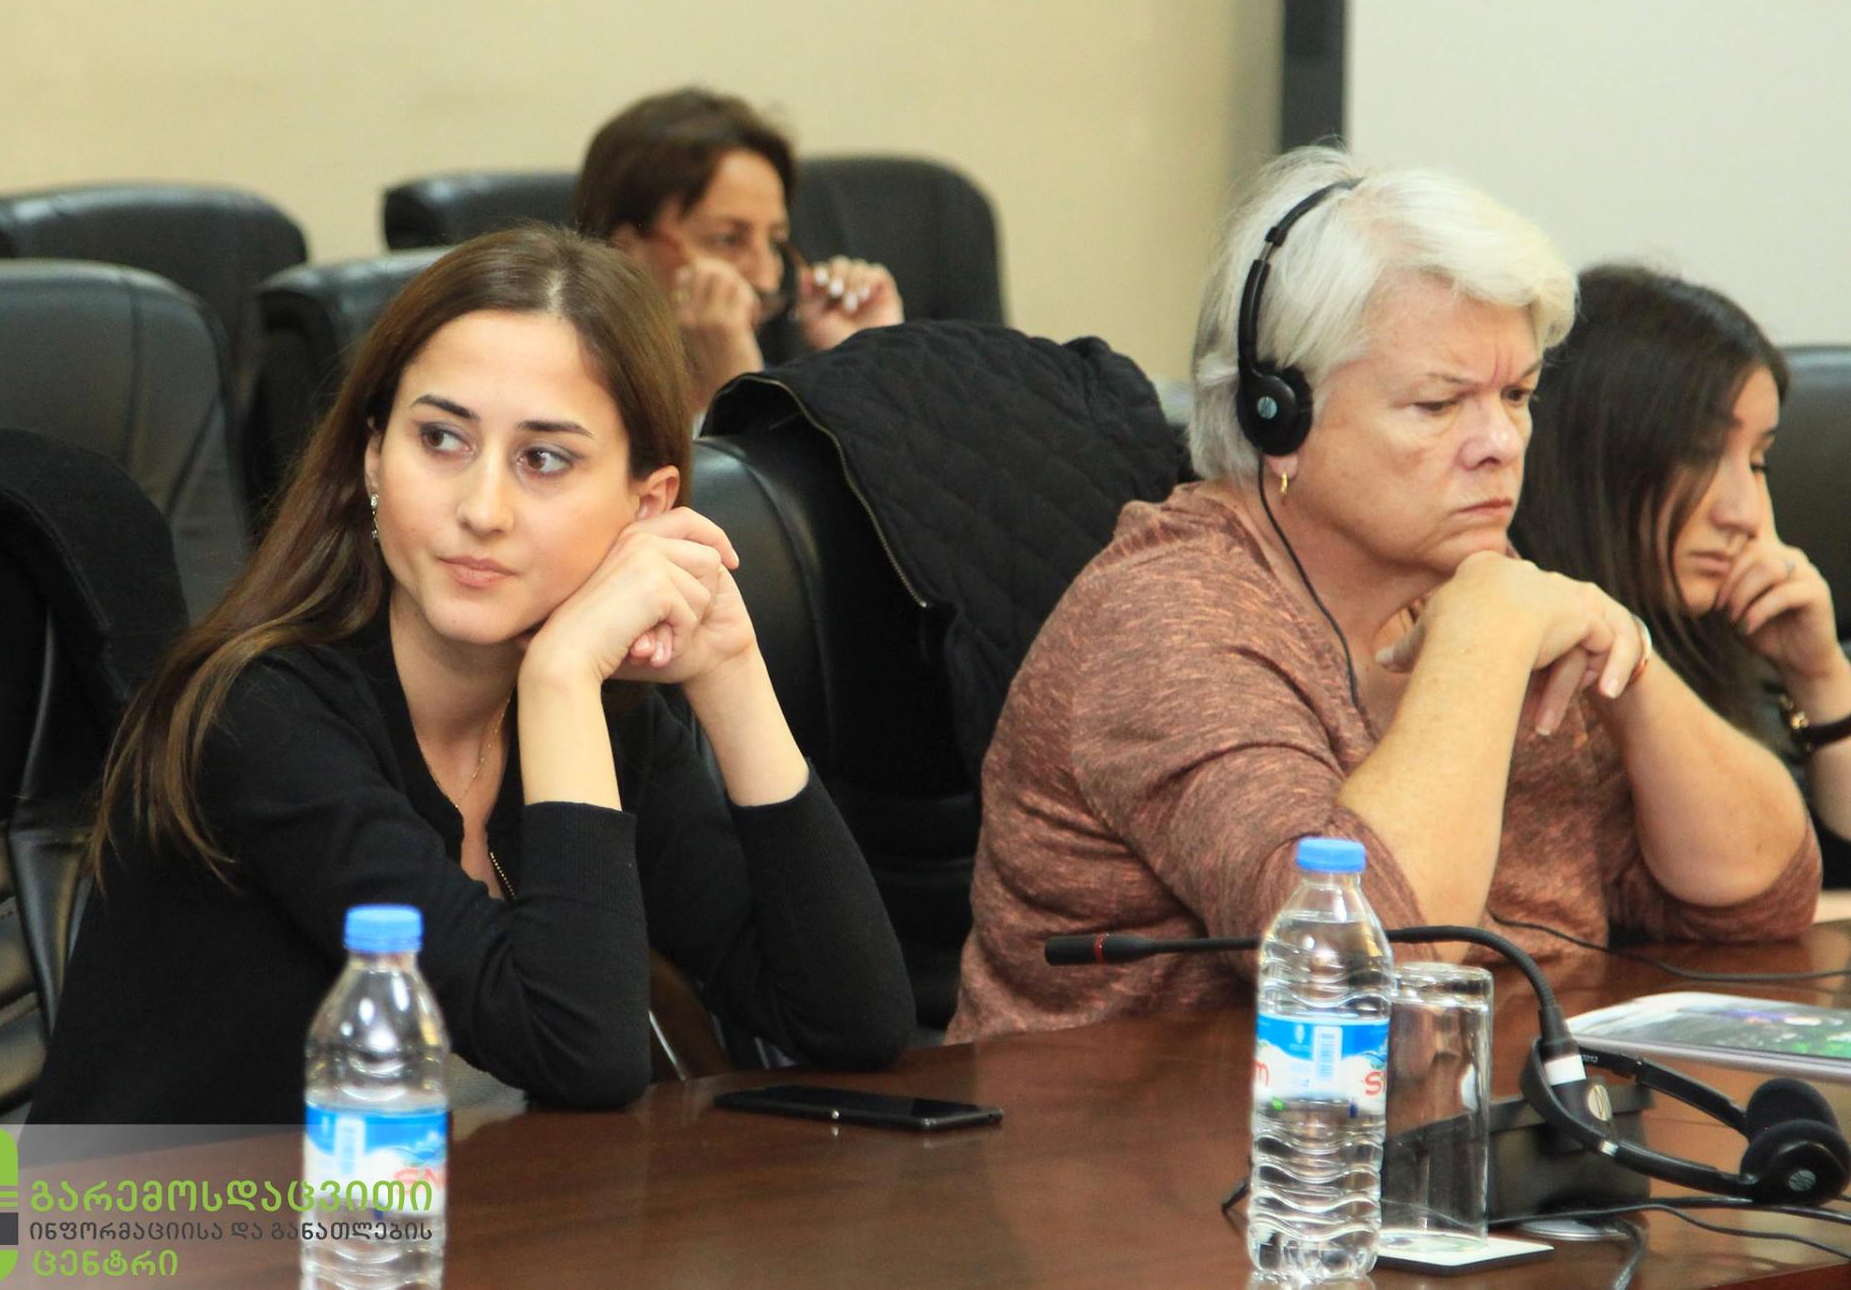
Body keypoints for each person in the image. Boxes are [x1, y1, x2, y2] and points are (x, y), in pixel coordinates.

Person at [31, 226, 913, 1122]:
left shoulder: (609, 723)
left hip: (415, 1202)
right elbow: (580, 1051)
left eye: (544, 458)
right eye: (441, 438)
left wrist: (729, 664)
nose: (482, 509)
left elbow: (855, 1018)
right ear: (373, 460)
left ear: (646, 507)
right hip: (149, 1209)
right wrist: (560, 679)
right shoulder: (260, 716)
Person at [948, 148, 1819, 1042]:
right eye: (1440, 405)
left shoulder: (1483, 581)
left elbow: (1763, 899)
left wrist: (1628, 674)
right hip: (1153, 1124)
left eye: (1517, 394)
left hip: (1471, 1101)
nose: (1501, 442)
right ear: (1278, 418)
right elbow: (1355, 961)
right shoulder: (1168, 618)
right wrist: (1482, 643)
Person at [1517, 265, 1851, 890]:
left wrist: (1821, 677)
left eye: (1758, 462)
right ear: (1597, 455)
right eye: (1700, 453)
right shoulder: (1524, 647)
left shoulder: (1712, 639)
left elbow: (1805, 881)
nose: (1744, 513)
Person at [573, 87, 903, 412]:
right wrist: (735, 392)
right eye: (728, 240)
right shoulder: (572, 400)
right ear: (625, 251)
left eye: (774, 242)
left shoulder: (786, 391)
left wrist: (866, 364)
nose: (766, 278)